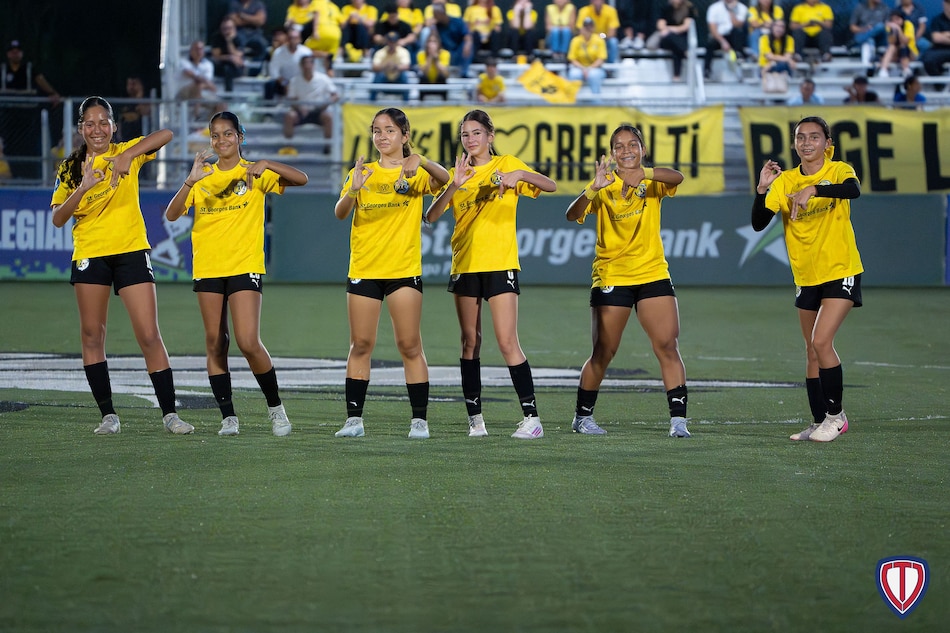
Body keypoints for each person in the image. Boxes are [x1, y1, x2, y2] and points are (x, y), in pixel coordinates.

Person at [49, 96, 192, 436]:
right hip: (91, 253)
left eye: (103, 122)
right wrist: (83, 188)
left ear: (113, 126)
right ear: (80, 128)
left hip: (131, 250)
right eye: (90, 123)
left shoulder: (127, 151)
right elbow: (58, 218)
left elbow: (167, 133)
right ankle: (108, 415)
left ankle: (170, 414)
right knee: (91, 335)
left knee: (148, 334)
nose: (97, 129)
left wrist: (127, 154)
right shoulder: (70, 167)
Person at [165, 111, 308, 437]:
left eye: (228, 134)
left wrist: (268, 163)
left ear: (240, 137)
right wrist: (190, 179)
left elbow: (301, 179)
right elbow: (172, 214)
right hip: (208, 268)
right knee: (215, 342)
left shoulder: (255, 172)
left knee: (247, 340)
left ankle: (276, 409)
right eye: (215, 135)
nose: (221, 140)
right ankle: (228, 416)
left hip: (244, 265)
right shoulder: (202, 177)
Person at [424, 109, 557, 440]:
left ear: (490, 136)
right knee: (470, 342)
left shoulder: (507, 164)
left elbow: (550, 185)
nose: (471, 140)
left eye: (477, 133)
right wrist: (453, 185)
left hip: (500, 263)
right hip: (465, 264)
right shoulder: (458, 173)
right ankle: (476, 419)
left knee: (507, 340)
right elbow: (431, 215)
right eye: (465, 135)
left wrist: (522, 177)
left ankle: (532, 418)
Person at [564, 124, 690, 438]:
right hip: (611, 275)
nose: (626, 150)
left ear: (642, 149)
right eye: (618, 146)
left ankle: (678, 421)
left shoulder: (652, 179)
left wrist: (645, 174)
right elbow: (571, 214)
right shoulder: (603, 183)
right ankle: (582, 417)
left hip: (652, 273)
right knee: (604, 351)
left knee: (667, 346)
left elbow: (678, 177)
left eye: (632, 144)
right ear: (612, 153)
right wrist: (592, 188)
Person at [333, 108, 449, 440]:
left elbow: (448, 180)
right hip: (364, 269)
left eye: (389, 130)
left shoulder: (415, 171)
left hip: (402, 270)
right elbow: (340, 213)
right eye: (377, 131)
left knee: (410, 344)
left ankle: (419, 421)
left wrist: (422, 161)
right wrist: (353, 189)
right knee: (361, 344)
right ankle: (354, 421)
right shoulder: (363, 171)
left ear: (405, 136)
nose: (382, 137)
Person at [751, 116, 863, 443]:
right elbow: (759, 223)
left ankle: (837, 416)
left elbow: (853, 190)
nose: (807, 142)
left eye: (815, 137)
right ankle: (818, 421)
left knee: (821, 342)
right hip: (806, 275)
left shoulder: (839, 169)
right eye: (801, 137)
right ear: (794, 144)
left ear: (828, 143)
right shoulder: (784, 181)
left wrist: (815, 188)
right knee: (811, 351)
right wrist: (762, 190)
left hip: (840, 269)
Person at [283, 55, 340, 143]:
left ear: (313, 65)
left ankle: (328, 146)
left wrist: (326, 103)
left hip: (319, 111)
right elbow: (292, 99)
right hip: (300, 111)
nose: (307, 66)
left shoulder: (323, 78)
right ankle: (288, 145)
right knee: (290, 116)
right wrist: (299, 108)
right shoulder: (294, 81)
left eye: (309, 63)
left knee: (328, 117)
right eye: (305, 64)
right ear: (301, 66)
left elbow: (335, 95)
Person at [648, 0, 696, 82]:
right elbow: (660, 25)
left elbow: (685, 27)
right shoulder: (666, 8)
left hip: (680, 39)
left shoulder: (689, 8)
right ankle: (686, 51)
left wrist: (670, 29)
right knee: (671, 38)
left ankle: (676, 77)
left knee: (676, 47)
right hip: (667, 40)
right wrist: (673, 30)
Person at [175, 39, 223, 120]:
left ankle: (208, 127)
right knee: (198, 84)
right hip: (183, 94)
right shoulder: (183, 62)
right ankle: (196, 115)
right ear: (191, 50)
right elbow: (190, 74)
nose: (198, 51)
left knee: (221, 104)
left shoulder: (208, 64)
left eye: (201, 49)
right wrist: (206, 83)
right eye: (196, 49)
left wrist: (205, 83)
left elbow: (206, 84)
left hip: (201, 94)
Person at [703, 0, 750, 81]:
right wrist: (722, 41)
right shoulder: (714, 8)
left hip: (734, 37)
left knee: (738, 33)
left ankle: (740, 63)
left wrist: (731, 11)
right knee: (710, 44)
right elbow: (712, 28)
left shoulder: (742, 8)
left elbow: (738, 25)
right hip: (718, 36)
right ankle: (707, 71)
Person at [265, 25, 313, 101]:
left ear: (300, 39)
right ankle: (268, 111)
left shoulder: (306, 52)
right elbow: (274, 73)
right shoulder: (278, 52)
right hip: (283, 82)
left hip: (301, 82)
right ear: (287, 39)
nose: (293, 41)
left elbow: (310, 70)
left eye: (295, 38)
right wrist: (285, 83)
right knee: (269, 84)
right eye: (291, 38)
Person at [568, 17, 608, 102]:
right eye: (585, 27)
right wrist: (583, 68)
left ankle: (596, 102)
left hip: (595, 68)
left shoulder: (599, 40)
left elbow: (601, 59)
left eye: (590, 27)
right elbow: (572, 59)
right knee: (574, 74)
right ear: (582, 28)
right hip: (579, 67)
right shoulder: (576, 40)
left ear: (593, 28)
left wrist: (589, 69)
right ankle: (573, 101)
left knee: (593, 75)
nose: (588, 29)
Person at [430, 3, 474, 78]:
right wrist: (433, 27)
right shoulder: (436, 26)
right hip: (445, 52)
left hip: (459, 51)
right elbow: (434, 40)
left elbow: (467, 37)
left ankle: (464, 73)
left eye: (436, 14)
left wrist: (467, 44)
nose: (434, 16)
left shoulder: (457, 21)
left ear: (442, 13)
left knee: (468, 45)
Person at [303, 0, 343, 74]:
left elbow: (316, 14)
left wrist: (315, 31)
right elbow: (342, 23)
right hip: (335, 35)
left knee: (304, 50)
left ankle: (325, 55)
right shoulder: (335, 6)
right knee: (330, 61)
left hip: (322, 32)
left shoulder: (317, 2)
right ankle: (329, 70)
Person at [369, 32, 412, 101]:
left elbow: (406, 66)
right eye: (390, 42)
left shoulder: (403, 51)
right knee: (378, 76)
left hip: (398, 78)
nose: (392, 44)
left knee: (404, 75)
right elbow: (374, 67)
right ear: (387, 42)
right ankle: (371, 102)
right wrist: (385, 67)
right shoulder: (380, 52)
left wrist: (395, 67)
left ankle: (406, 103)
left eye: (393, 42)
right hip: (384, 78)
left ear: (397, 42)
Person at [210, 16, 247, 92]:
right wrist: (229, 57)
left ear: (234, 29)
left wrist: (229, 41)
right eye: (224, 29)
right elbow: (216, 56)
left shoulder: (239, 38)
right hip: (221, 65)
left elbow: (237, 55)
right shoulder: (216, 38)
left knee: (229, 69)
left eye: (229, 28)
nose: (227, 31)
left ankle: (229, 94)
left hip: (235, 67)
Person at [878, 9, 918, 77]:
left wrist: (899, 30)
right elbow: (891, 42)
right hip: (895, 54)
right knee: (892, 47)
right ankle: (883, 70)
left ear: (902, 19)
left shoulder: (908, 25)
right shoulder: (889, 27)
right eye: (893, 20)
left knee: (903, 46)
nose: (895, 22)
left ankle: (906, 69)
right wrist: (893, 31)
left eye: (897, 19)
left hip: (910, 53)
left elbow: (905, 41)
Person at [849, 0, 890, 66]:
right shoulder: (860, 8)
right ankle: (868, 64)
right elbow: (852, 27)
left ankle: (856, 41)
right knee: (869, 40)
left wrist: (874, 29)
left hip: (880, 38)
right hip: (864, 34)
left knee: (880, 26)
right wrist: (864, 29)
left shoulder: (884, 8)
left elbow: (888, 26)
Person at [920, 0, 950, 83]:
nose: (949, 6)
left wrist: (944, 34)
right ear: (943, 4)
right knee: (928, 59)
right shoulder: (937, 19)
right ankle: (939, 84)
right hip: (939, 50)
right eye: (947, 3)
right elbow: (936, 38)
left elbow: (939, 37)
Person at [416, 32, 451, 100]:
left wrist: (436, 60)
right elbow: (424, 72)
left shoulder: (445, 54)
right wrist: (429, 58)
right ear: (426, 44)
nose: (432, 44)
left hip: (439, 82)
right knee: (423, 78)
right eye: (430, 41)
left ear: (438, 44)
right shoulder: (421, 54)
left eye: (434, 41)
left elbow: (445, 74)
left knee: (442, 78)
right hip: (427, 82)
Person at [118, 76, 150, 143]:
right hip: (125, 141)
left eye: (134, 84)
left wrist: (139, 94)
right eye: (129, 84)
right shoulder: (125, 103)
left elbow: (143, 110)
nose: (131, 87)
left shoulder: (146, 101)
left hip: (141, 141)